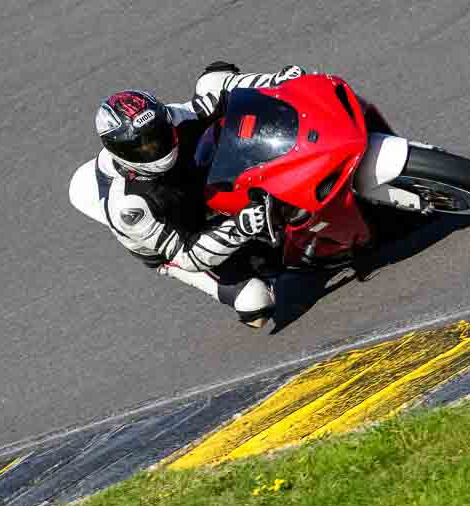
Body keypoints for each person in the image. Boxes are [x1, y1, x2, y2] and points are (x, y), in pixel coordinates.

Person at [73, 62, 305, 328]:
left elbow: (216, 97)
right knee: (255, 302)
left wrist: (277, 82)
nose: (156, 146)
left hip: (192, 186)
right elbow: (188, 254)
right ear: (121, 153)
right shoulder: (129, 208)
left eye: (160, 135)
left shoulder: (172, 117)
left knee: (212, 80)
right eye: (145, 146)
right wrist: (240, 227)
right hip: (180, 236)